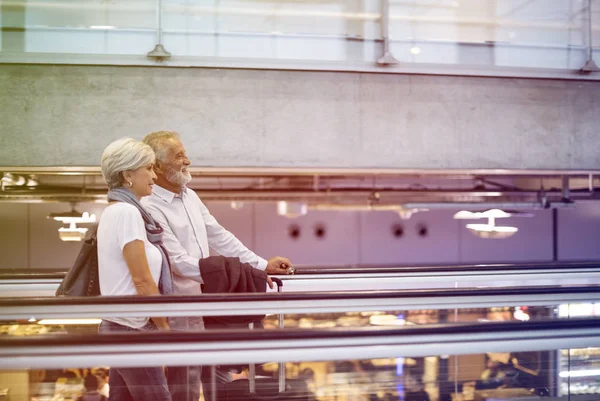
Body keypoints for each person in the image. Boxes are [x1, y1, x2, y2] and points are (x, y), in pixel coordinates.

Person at [140, 130, 293, 401]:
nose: (187, 161)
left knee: (213, 375)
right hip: (179, 306)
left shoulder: (190, 196)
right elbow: (178, 263)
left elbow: (219, 236)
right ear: (159, 167)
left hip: (208, 302)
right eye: (179, 156)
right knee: (184, 380)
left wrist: (259, 265)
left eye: (185, 154)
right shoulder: (150, 206)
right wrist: (239, 273)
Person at [97, 137, 172, 401]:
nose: (154, 175)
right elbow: (142, 279)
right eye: (149, 168)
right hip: (132, 328)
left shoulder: (116, 211)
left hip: (121, 325)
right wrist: (164, 328)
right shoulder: (127, 213)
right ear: (128, 174)